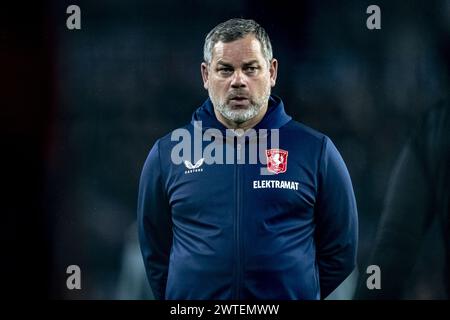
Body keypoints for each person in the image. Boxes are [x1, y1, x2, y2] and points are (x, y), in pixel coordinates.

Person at [137, 18, 358, 300]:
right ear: (206, 75)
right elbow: (155, 255)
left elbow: (341, 252)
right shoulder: (166, 155)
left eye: (250, 68)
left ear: (272, 71)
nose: (238, 80)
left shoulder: (316, 151)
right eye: (225, 70)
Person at [354, 100, 449, 299]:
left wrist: (371, 291)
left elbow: (390, 251)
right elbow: (389, 254)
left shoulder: (435, 130)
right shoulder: (435, 131)